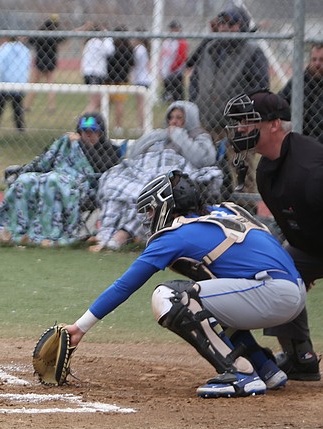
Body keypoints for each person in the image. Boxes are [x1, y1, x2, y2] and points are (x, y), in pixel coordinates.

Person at [61, 170, 306, 398]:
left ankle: (240, 374)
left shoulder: (177, 234)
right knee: (208, 295)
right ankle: (265, 368)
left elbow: (125, 285)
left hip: (273, 293)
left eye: (151, 210)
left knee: (170, 297)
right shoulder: (224, 211)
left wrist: (80, 327)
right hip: (290, 290)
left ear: (167, 206)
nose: (149, 218)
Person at [225, 91, 322, 381]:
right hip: (312, 246)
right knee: (277, 270)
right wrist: (298, 272)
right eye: (239, 122)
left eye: (248, 121)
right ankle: (299, 357)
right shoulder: (267, 169)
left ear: (275, 125)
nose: (241, 129)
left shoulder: (311, 171)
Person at [91, 100, 221, 251]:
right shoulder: (162, 135)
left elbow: (203, 159)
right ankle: (105, 234)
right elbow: (133, 154)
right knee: (113, 182)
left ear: (189, 119)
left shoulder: (199, 136)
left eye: (179, 117)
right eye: (171, 117)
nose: (174, 121)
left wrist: (179, 136)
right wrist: (156, 136)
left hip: (172, 171)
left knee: (149, 193)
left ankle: (121, 236)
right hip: (144, 168)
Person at [0, 112, 121, 247]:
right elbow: (47, 158)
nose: (88, 135)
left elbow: (102, 168)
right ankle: (13, 232)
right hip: (55, 176)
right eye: (84, 131)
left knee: (53, 181)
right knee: (25, 180)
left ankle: (50, 234)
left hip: (84, 187)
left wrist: (82, 146)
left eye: (93, 132)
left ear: (101, 133)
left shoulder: (110, 150)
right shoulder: (68, 145)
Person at [188, 6, 269, 138]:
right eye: (221, 23)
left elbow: (261, 88)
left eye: (231, 24)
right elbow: (194, 79)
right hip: (205, 125)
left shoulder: (252, 52)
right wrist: (195, 102)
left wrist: (245, 115)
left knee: (238, 159)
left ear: (242, 26)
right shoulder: (209, 49)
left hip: (237, 127)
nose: (225, 27)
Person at [279, 42, 323, 141]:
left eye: (321, 60)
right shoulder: (299, 81)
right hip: (301, 139)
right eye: (314, 59)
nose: (317, 64)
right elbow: (280, 101)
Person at [26, 16, 64, 113]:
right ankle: (51, 107)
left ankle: (27, 105)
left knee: (33, 85)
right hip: (51, 62)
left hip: (40, 62)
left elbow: (30, 40)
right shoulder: (55, 35)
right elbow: (63, 38)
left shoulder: (39, 34)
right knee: (50, 85)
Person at [0, 35, 31, 134]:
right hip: (20, 82)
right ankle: (20, 128)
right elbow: (27, 66)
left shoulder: (3, 49)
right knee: (18, 107)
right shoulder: (25, 50)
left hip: (5, 82)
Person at [79, 23, 113, 115]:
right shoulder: (96, 42)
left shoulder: (90, 43)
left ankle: (93, 122)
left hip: (91, 73)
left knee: (99, 102)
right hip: (94, 74)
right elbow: (109, 50)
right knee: (95, 102)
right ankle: (82, 121)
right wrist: (108, 36)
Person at [157, 20, 189, 102]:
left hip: (176, 71)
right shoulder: (167, 41)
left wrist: (173, 67)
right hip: (166, 70)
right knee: (167, 88)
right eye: (173, 29)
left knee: (177, 89)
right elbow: (162, 55)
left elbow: (181, 57)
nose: (174, 31)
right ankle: (167, 99)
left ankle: (178, 101)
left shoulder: (181, 41)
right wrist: (161, 68)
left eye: (176, 29)